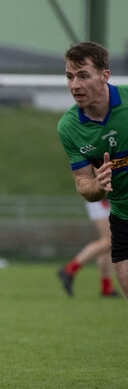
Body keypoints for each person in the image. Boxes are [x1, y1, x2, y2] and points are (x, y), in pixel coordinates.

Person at [57, 41, 128, 302]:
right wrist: (98, 186)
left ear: (104, 75)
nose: (75, 84)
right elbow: (82, 183)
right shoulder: (69, 127)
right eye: (69, 76)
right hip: (122, 217)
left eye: (83, 75)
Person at [57, 200, 119, 297]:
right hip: (102, 198)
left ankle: (107, 288)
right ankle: (69, 269)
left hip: (109, 199)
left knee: (108, 245)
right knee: (108, 241)